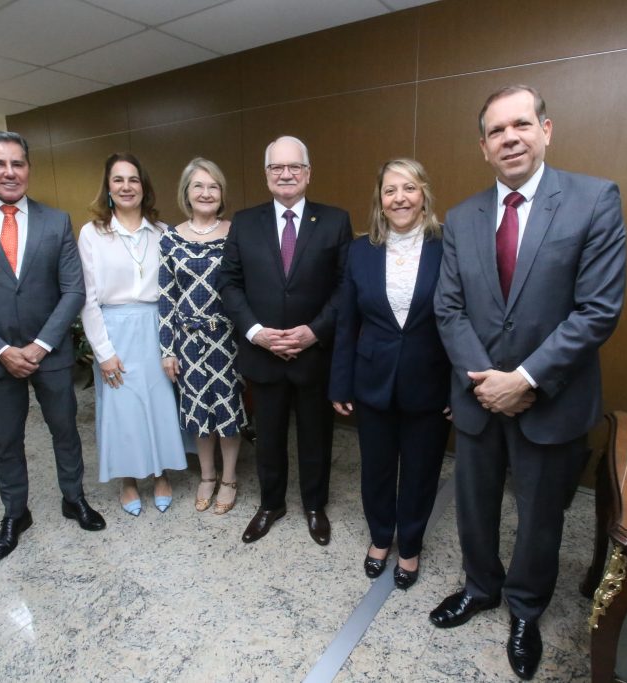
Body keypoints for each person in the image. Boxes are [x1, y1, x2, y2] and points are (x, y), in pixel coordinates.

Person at [432, 85, 627, 680]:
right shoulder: (463, 217)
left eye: (521, 124)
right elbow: (449, 308)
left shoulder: (595, 200)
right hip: (476, 397)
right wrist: (487, 383)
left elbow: (598, 310)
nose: (509, 137)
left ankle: (525, 607)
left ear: (546, 129)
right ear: (484, 147)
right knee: (474, 503)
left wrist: (525, 380)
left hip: (552, 398)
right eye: (496, 130)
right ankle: (481, 585)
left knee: (542, 513)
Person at [0, 130, 105, 563]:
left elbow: (73, 290)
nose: (9, 172)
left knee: (65, 430)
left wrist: (41, 344)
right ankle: (16, 513)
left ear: (28, 167)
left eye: (18, 163)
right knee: (6, 438)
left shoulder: (55, 220)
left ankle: (74, 499)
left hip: (49, 355)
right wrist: (2, 350)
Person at [219, 135, 352, 545]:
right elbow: (229, 282)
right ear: (266, 175)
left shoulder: (334, 220)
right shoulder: (244, 222)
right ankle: (271, 503)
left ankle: (315, 505)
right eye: (277, 167)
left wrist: (315, 331)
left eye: (294, 166)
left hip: (314, 354)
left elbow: (347, 286)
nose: (286, 174)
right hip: (264, 355)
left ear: (308, 173)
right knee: (269, 438)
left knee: (316, 437)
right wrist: (257, 333)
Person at [329, 158, 451, 590]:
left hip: (430, 382)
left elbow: (461, 319)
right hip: (371, 381)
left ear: (423, 195)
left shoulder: (447, 245)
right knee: (376, 468)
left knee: (421, 471)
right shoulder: (360, 251)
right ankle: (381, 537)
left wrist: (460, 387)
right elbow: (347, 323)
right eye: (390, 190)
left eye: (409, 188)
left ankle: (411, 545)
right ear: (379, 201)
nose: (399, 198)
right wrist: (339, 382)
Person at [77, 152, 187, 516]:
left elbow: (173, 292)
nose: (127, 186)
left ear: (144, 187)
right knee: (121, 409)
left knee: (158, 405)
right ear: (108, 188)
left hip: (156, 327)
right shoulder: (93, 233)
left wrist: (171, 342)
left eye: (133, 180)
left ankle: (160, 475)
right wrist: (104, 352)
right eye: (118, 180)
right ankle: (127, 480)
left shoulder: (162, 232)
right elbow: (88, 299)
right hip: (114, 329)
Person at [159, 158, 246, 515]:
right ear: (187, 193)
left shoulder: (236, 233)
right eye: (198, 186)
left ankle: (229, 479)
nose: (206, 192)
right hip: (187, 341)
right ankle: (206, 476)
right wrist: (167, 349)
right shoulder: (170, 238)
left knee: (227, 410)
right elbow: (166, 298)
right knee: (197, 411)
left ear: (221, 193)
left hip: (227, 338)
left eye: (213, 186)